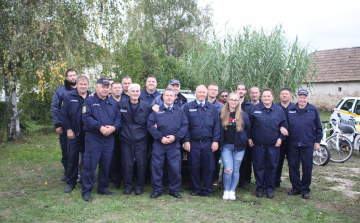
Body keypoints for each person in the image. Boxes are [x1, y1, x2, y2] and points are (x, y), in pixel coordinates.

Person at [81, 78, 121, 202]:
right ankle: (86, 191)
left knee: (105, 165)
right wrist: (100, 128)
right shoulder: (89, 101)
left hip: (109, 139)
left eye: (107, 87)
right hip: (94, 138)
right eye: (102, 87)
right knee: (90, 165)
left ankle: (102, 188)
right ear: (97, 88)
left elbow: (119, 118)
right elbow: (86, 117)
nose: (105, 89)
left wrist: (114, 127)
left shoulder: (112, 102)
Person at [147, 88, 189, 199]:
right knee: (157, 167)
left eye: (172, 95)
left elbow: (185, 126)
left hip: (174, 144)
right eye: (167, 95)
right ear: (163, 97)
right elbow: (150, 125)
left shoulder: (180, 111)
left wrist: (175, 137)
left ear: (175, 97)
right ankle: (157, 190)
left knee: (175, 168)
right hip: (159, 144)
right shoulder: (157, 111)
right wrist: (161, 138)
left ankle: (174, 190)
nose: (169, 97)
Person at [248, 88, 287, 199]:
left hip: (273, 146)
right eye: (264, 96)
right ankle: (260, 188)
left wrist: (281, 138)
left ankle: (269, 189)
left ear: (273, 97)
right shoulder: (254, 109)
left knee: (272, 167)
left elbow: (284, 126)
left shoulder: (279, 111)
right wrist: (249, 138)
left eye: (268, 96)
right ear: (262, 97)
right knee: (258, 166)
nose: (266, 98)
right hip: (258, 145)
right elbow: (249, 126)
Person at [183, 85, 220, 198]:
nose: (202, 94)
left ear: (207, 93)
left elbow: (216, 126)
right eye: (199, 92)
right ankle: (196, 189)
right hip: (193, 142)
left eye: (204, 92)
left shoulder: (212, 108)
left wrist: (215, 141)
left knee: (208, 167)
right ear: (195, 93)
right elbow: (185, 126)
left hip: (208, 143)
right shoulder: (188, 107)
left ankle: (207, 190)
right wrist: (186, 141)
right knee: (194, 167)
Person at [286, 89, 322, 199]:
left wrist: (317, 142)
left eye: (304, 97)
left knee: (307, 167)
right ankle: (296, 188)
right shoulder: (290, 109)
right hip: (292, 144)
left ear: (308, 98)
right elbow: (285, 125)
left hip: (307, 144)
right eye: (300, 97)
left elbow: (318, 128)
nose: (302, 99)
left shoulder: (313, 110)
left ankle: (305, 189)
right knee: (293, 166)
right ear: (296, 98)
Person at [60, 76, 90, 193]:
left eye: (85, 84)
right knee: (72, 157)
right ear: (77, 84)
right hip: (74, 132)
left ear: (88, 85)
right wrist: (68, 129)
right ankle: (71, 182)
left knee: (88, 158)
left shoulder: (92, 97)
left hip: (88, 133)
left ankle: (85, 180)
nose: (83, 86)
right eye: (81, 84)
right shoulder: (69, 97)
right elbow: (63, 115)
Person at [118, 84, 150, 195]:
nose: (135, 93)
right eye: (133, 91)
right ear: (128, 93)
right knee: (127, 164)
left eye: (137, 91)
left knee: (141, 164)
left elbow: (150, 122)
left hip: (141, 140)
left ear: (140, 93)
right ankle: (128, 186)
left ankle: (139, 186)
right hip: (126, 139)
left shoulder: (146, 106)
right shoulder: (121, 105)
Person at [220, 92, 251, 200]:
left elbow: (248, 129)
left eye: (235, 100)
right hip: (226, 147)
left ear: (239, 102)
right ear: (228, 100)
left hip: (239, 147)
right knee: (228, 170)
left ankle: (232, 191)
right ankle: (226, 190)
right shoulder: (222, 113)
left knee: (236, 169)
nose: (233, 102)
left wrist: (246, 139)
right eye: (231, 99)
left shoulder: (243, 115)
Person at [51, 69, 77, 181]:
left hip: (79, 126)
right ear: (66, 78)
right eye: (70, 76)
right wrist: (57, 124)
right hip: (65, 126)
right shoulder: (61, 91)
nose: (72, 77)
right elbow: (55, 108)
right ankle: (67, 173)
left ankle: (79, 173)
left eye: (74, 75)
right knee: (66, 150)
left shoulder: (81, 89)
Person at [274, 87, 295, 188]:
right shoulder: (275, 107)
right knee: (277, 162)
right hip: (278, 140)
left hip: (292, 141)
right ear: (280, 96)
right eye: (282, 94)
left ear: (290, 96)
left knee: (292, 163)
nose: (284, 95)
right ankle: (276, 181)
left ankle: (294, 184)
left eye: (287, 94)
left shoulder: (295, 108)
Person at [236, 83, 254, 190]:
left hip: (244, 138)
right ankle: (226, 182)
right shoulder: (232, 104)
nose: (241, 91)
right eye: (239, 89)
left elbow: (251, 123)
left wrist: (249, 137)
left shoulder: (250, 106)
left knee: (244, 161)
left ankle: (242, 181)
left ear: (245, 92)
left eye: (243, 89)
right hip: (232, 139)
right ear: (236, 90)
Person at [207, 83, 224, 186]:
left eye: (215, 90)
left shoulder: (222, 107)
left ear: (217, 92)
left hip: (216, 137)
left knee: (215, 159)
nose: (213, 91)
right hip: (204, 137)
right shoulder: (202, 104)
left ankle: (215, 178)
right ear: (207, 91)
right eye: (211, 89)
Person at [108, 82, 123, 189]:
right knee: (114, 158)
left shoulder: (126, 101)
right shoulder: (107, 102)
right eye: (115, 88)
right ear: (111, 89)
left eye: (119, 87)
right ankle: (115, 181)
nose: (117, 89)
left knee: (125, 158)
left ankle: (124, 177)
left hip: (125, 134)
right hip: (112, 134)